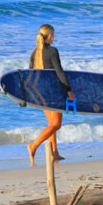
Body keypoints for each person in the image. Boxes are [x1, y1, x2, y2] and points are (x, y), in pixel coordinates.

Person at [26, 24, 74, 167]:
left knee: (51, 124)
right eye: (53, 35)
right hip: (53, 93)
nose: (54, 37)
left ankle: (54, 152)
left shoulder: (34, 53)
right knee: (56, 124)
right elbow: (60, 72)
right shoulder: (53, 51)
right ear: (50, 36)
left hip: (41, 93)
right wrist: (68, 90)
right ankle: (34, 146)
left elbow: (31, 74)